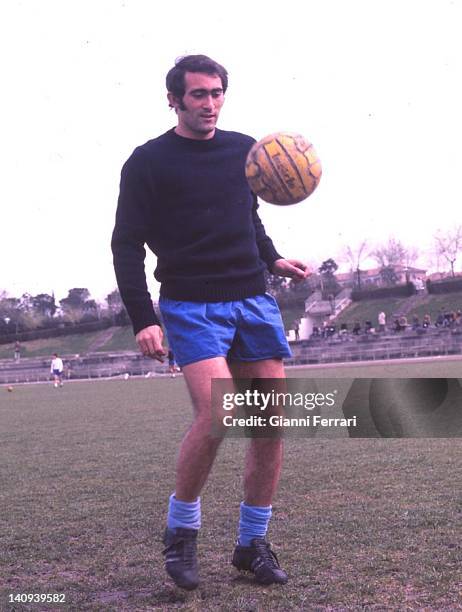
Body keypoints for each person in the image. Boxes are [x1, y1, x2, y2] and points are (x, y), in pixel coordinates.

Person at [111, 55, 310, 590]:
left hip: (252, 297)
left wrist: (273, 260)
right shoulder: (147, 162)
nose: (210, 103)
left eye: (217, 93)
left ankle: (252, 544)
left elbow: (249, 215)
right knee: (219, 413)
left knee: (270, 423)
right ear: (174, 99)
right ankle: (181, 532)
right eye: (198, 94)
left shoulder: (246, 152)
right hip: (190, 304)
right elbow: (125, 243)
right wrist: (142, 318)